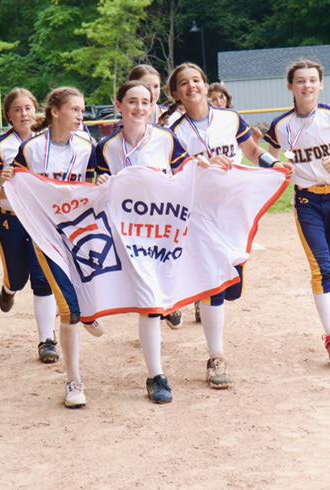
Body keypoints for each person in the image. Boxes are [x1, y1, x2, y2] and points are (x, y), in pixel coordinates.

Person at [162, 62, 292, 389]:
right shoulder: (172, 131)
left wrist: (274, 163)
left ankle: (200, 294)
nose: (191, 86)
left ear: (206, 85)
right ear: (175, 93)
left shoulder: (230, 119)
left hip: (232, 212)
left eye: (196, 80)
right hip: (198, 215)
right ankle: (216, 356)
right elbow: (169, 172)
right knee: (216, 285)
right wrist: (197, 164)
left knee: (232, 289)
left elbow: (251, 150)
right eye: (183, 83)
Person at [95, 80, 189, 404]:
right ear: (118, 105)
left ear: (153, 107)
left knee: (161, 295)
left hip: (162, 230)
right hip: (129, 236)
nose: (138, 108)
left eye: (145, 102)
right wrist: (102, 183)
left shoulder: (166, 140)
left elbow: (187, 178)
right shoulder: (106, 148)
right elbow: (94, 192)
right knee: (149, 302)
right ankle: (156, 375)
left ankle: (172, 306)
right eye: (131, 101)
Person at [264, 59, 330, 365]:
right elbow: (266, 156)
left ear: (321, 84)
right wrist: (277, 165)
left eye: (312, 80)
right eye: (300, 81)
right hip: (307, 202)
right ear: (290, 86)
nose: (307, 86)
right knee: (321, 269)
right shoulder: (282, 124)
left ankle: (329, 315)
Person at [13, 87, 100, 409]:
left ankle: (88, 311)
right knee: (68, 310)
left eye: (82, 109)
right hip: (47, 236)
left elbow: (96, 184)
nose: (81, 115)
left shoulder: (87, 146)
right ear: (55, 111)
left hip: (81, 233)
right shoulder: (33, 149)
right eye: (75, 109)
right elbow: (13, 184)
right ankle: (73, 380)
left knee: (84, 294)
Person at [0, 88, 61, 365]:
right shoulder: (1, 146)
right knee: (18, 277)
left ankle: (46, 339)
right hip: (11, 219)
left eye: (28, 108)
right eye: (17, 109)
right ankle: (9, 288)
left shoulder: (47, 140)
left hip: (39, 221)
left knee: (42, 280)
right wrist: (4, 186)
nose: (23, 114)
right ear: (9, 115)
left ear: (36, 109)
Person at [126, 65, 183, 331]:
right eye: (145, 86)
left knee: (170, 253)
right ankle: (155, 305)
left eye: (156, 86)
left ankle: (176, 300)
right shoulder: (129, 119)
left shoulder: (171, 120)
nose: (152, 91)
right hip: (137, 207)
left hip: (167, 200)